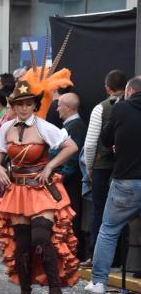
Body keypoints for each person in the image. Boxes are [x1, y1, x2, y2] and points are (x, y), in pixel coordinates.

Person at [0, 78, 80, 294]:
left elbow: (71, 146)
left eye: (28, 104)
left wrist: (51, 166)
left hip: (41, 190)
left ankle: (54, 286)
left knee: (40, 237)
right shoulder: (5, 128)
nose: (23, 108)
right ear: (13, 105)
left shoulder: (44, 127)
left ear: (34, 105)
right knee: (22, 244)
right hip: (17, 191)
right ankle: (25, 292)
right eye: (19, 104)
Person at [86, 76, 141, 294]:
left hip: (126, 180)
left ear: (128, 92)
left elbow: (106, 140)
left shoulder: (121, 109)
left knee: (109, 230)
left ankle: (99, 281)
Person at [82, 69, 127, 266]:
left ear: (107, 87)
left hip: (102, 166)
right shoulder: (131, 106)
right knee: (124, 213)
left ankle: (96, 257)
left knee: (100, 212)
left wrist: (90, 167)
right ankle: (121, 258)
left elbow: (90, 143)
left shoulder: (101, 108)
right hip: (126, 167)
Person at [56, 93, 87, 259]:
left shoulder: (76, 127)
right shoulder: (72, 125)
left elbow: (73, 156)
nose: (57, 108)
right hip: (65, 179)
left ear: (68, 107)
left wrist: (62, 175)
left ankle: (72, 251)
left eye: (59, 104)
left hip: (70, 181)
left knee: (70, 215)